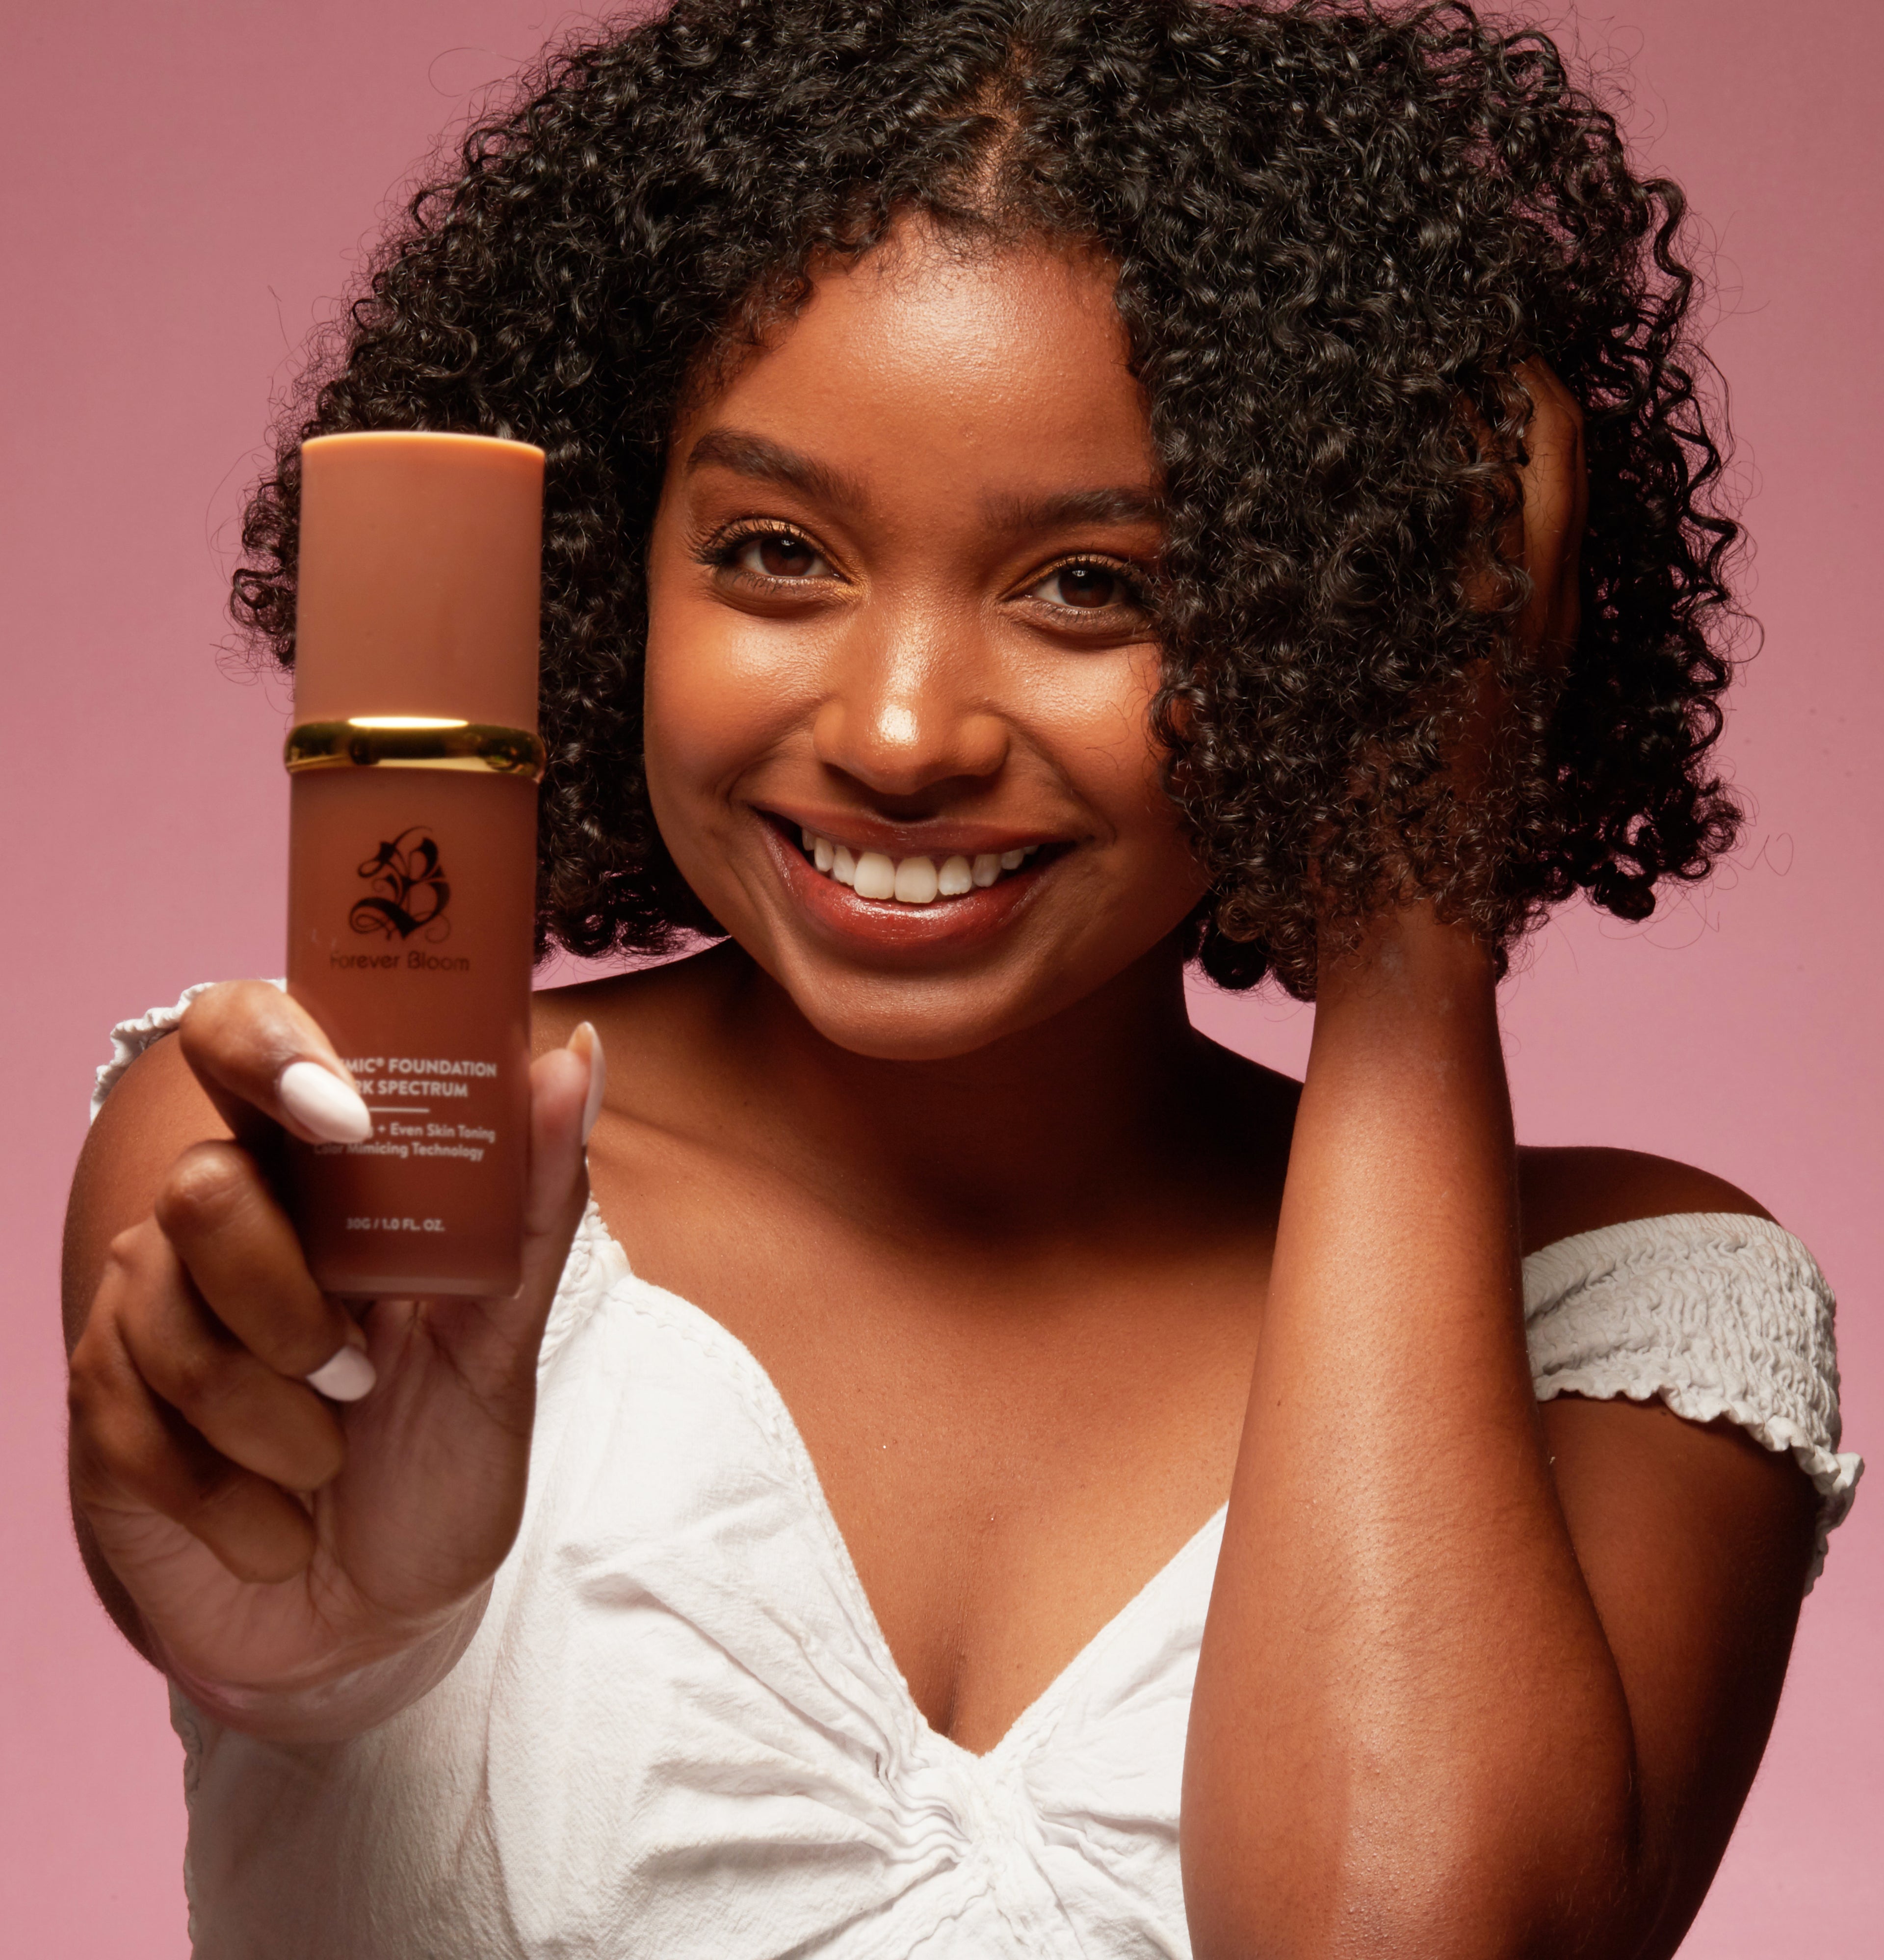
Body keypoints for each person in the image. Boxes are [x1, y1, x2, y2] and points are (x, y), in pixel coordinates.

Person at [60, 1, 1860, 1954]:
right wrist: (336, 1639)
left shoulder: (1630, 1326)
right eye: (772, 551)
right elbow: (273, 1587)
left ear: (1315, 616)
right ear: (605, 554)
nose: (904, 731)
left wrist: (1416, 890)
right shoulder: (349, 1168)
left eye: (1097, 583)